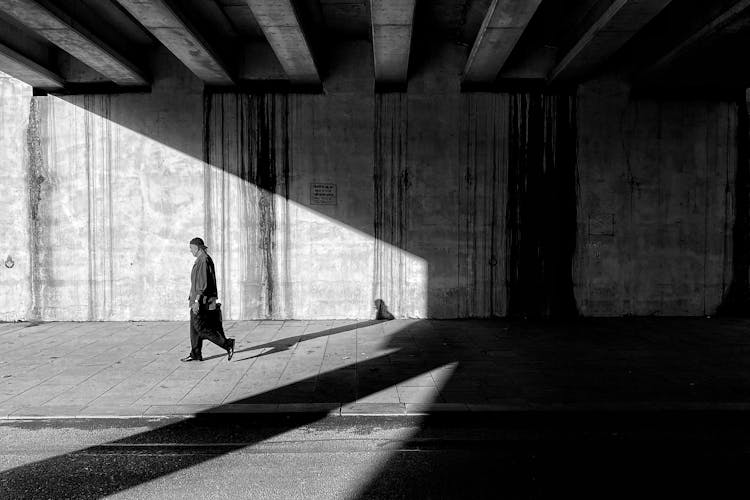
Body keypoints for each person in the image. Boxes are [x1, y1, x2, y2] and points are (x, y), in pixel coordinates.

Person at [181, 237, 235, 362]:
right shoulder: (202, 259)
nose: (190, 251)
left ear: (198, 247)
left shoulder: (203, 260)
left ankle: (227, 344)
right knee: (194, 330)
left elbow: (202, 284)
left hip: (202, 302)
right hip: (198, 301)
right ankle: (195, 353)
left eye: (191, 248)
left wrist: (197, 302)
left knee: (202, 329)